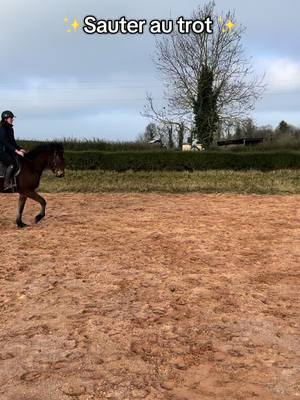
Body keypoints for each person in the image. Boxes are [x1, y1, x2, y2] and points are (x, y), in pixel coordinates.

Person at [0, 110, 26, 190]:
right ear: (5, 119)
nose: (12, 119)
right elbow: (5, 142)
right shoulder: (2, 128)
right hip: (1, 151)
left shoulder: (10, 129)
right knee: (12, 163)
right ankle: (6, 183)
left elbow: (13, 142)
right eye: (11, 118)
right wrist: (16, 151)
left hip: (7, 150)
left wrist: (20, 149)